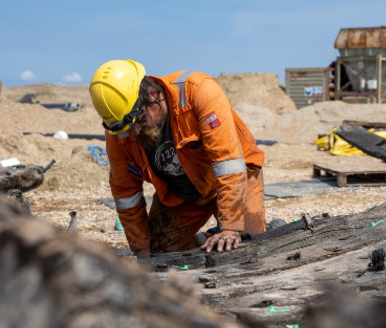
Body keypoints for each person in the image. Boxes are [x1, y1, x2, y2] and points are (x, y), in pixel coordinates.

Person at [89, 59, 265, 256]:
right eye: (128, 128)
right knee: (158, 252)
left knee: (250, 248)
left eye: (139, 119)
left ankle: (234, 233)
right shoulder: (120, 132)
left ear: (152, 94)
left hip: (238, 181)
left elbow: (228, 162)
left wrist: (231, 227)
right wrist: (142, 251)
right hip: (182, 195)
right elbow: (126, 195)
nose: (136, 131)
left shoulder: (198, 91)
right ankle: (208, 240)